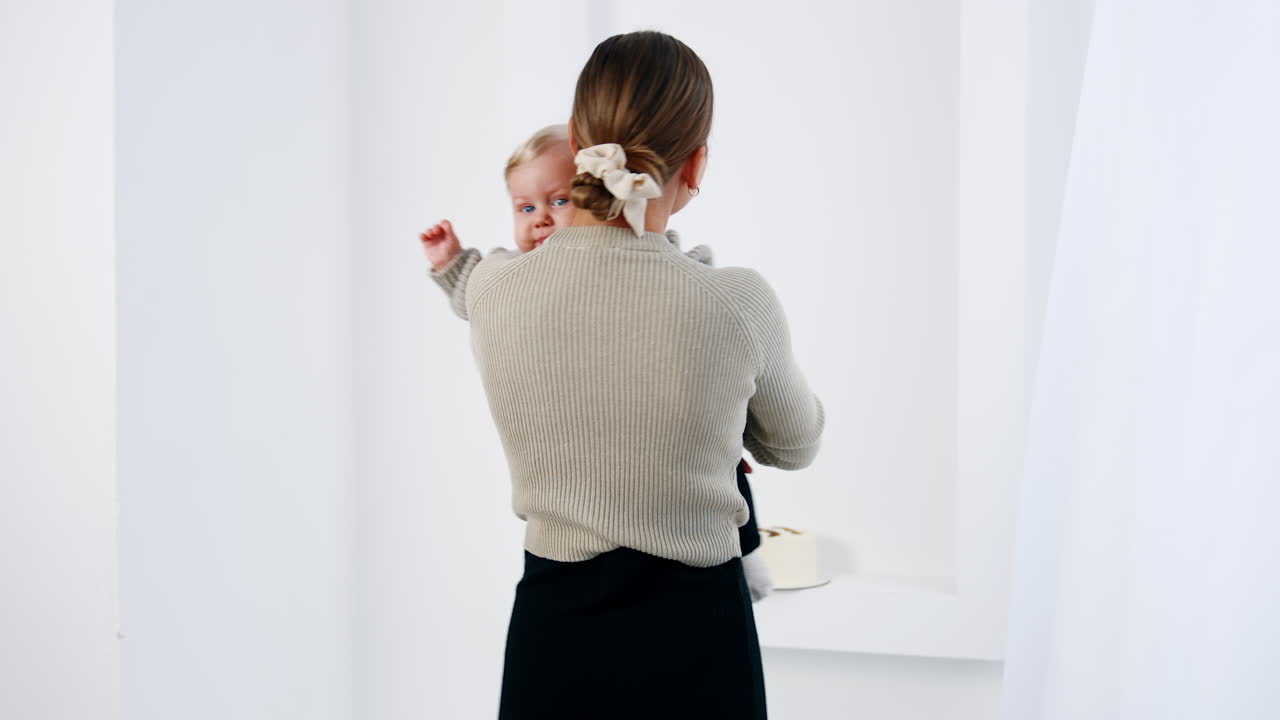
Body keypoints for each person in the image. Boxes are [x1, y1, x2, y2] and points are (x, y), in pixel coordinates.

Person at [464, 31, 824, 719]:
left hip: (552, 642)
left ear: (575, 141)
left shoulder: (491, 291)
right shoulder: (735, 301)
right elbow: (796, 444)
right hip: (699, 643)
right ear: (697, 164)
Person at [417, 123, 774, 602]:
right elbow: (473, 290)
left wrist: (727, 425)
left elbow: (711, 345)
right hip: (598, 517)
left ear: (599, 193)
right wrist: (452, 261)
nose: (540, 219)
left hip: (669, 480)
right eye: (526, 208)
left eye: (558, 201)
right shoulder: (508, 283)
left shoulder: (661, 262)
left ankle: (748, 552)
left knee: (725, 471)